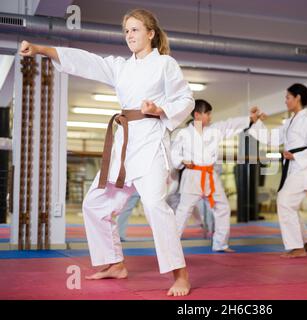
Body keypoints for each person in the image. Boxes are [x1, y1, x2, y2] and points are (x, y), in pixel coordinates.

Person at [19, 8, 194, 296]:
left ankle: (181, 274)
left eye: (135, 30)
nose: (129, 36)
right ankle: (114, 263)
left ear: (150, 33)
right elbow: (87, 61)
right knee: (94, 203)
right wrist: (42, 49)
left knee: (153, 205)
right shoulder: (121, 67)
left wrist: (160, 109)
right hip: (123, 145)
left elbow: (185, 98)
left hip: (150, 143)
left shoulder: (165, 64)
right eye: (126, 31)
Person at [171, 99, 262, 252]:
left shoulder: (215, 130)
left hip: (210, 175)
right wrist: (182, 160)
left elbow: (230, 124)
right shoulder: (183, 134)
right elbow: (174, 154)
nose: (210, 117)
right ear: (197, 115)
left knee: (222, 207)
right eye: (207, 114)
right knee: (184, 211)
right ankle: (171, 246)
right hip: (193, 175)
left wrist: (250, 119)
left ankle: (220, 243)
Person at [249, 83, 307, 258]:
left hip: (302, 169)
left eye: (288, 97)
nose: (286, 101)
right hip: (293, 170)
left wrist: (295, 156)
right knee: (289, 205)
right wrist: (257, 122)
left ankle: (297, 247)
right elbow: (273, 138)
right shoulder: (290, 121)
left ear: (297, 98)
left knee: (284, 201)